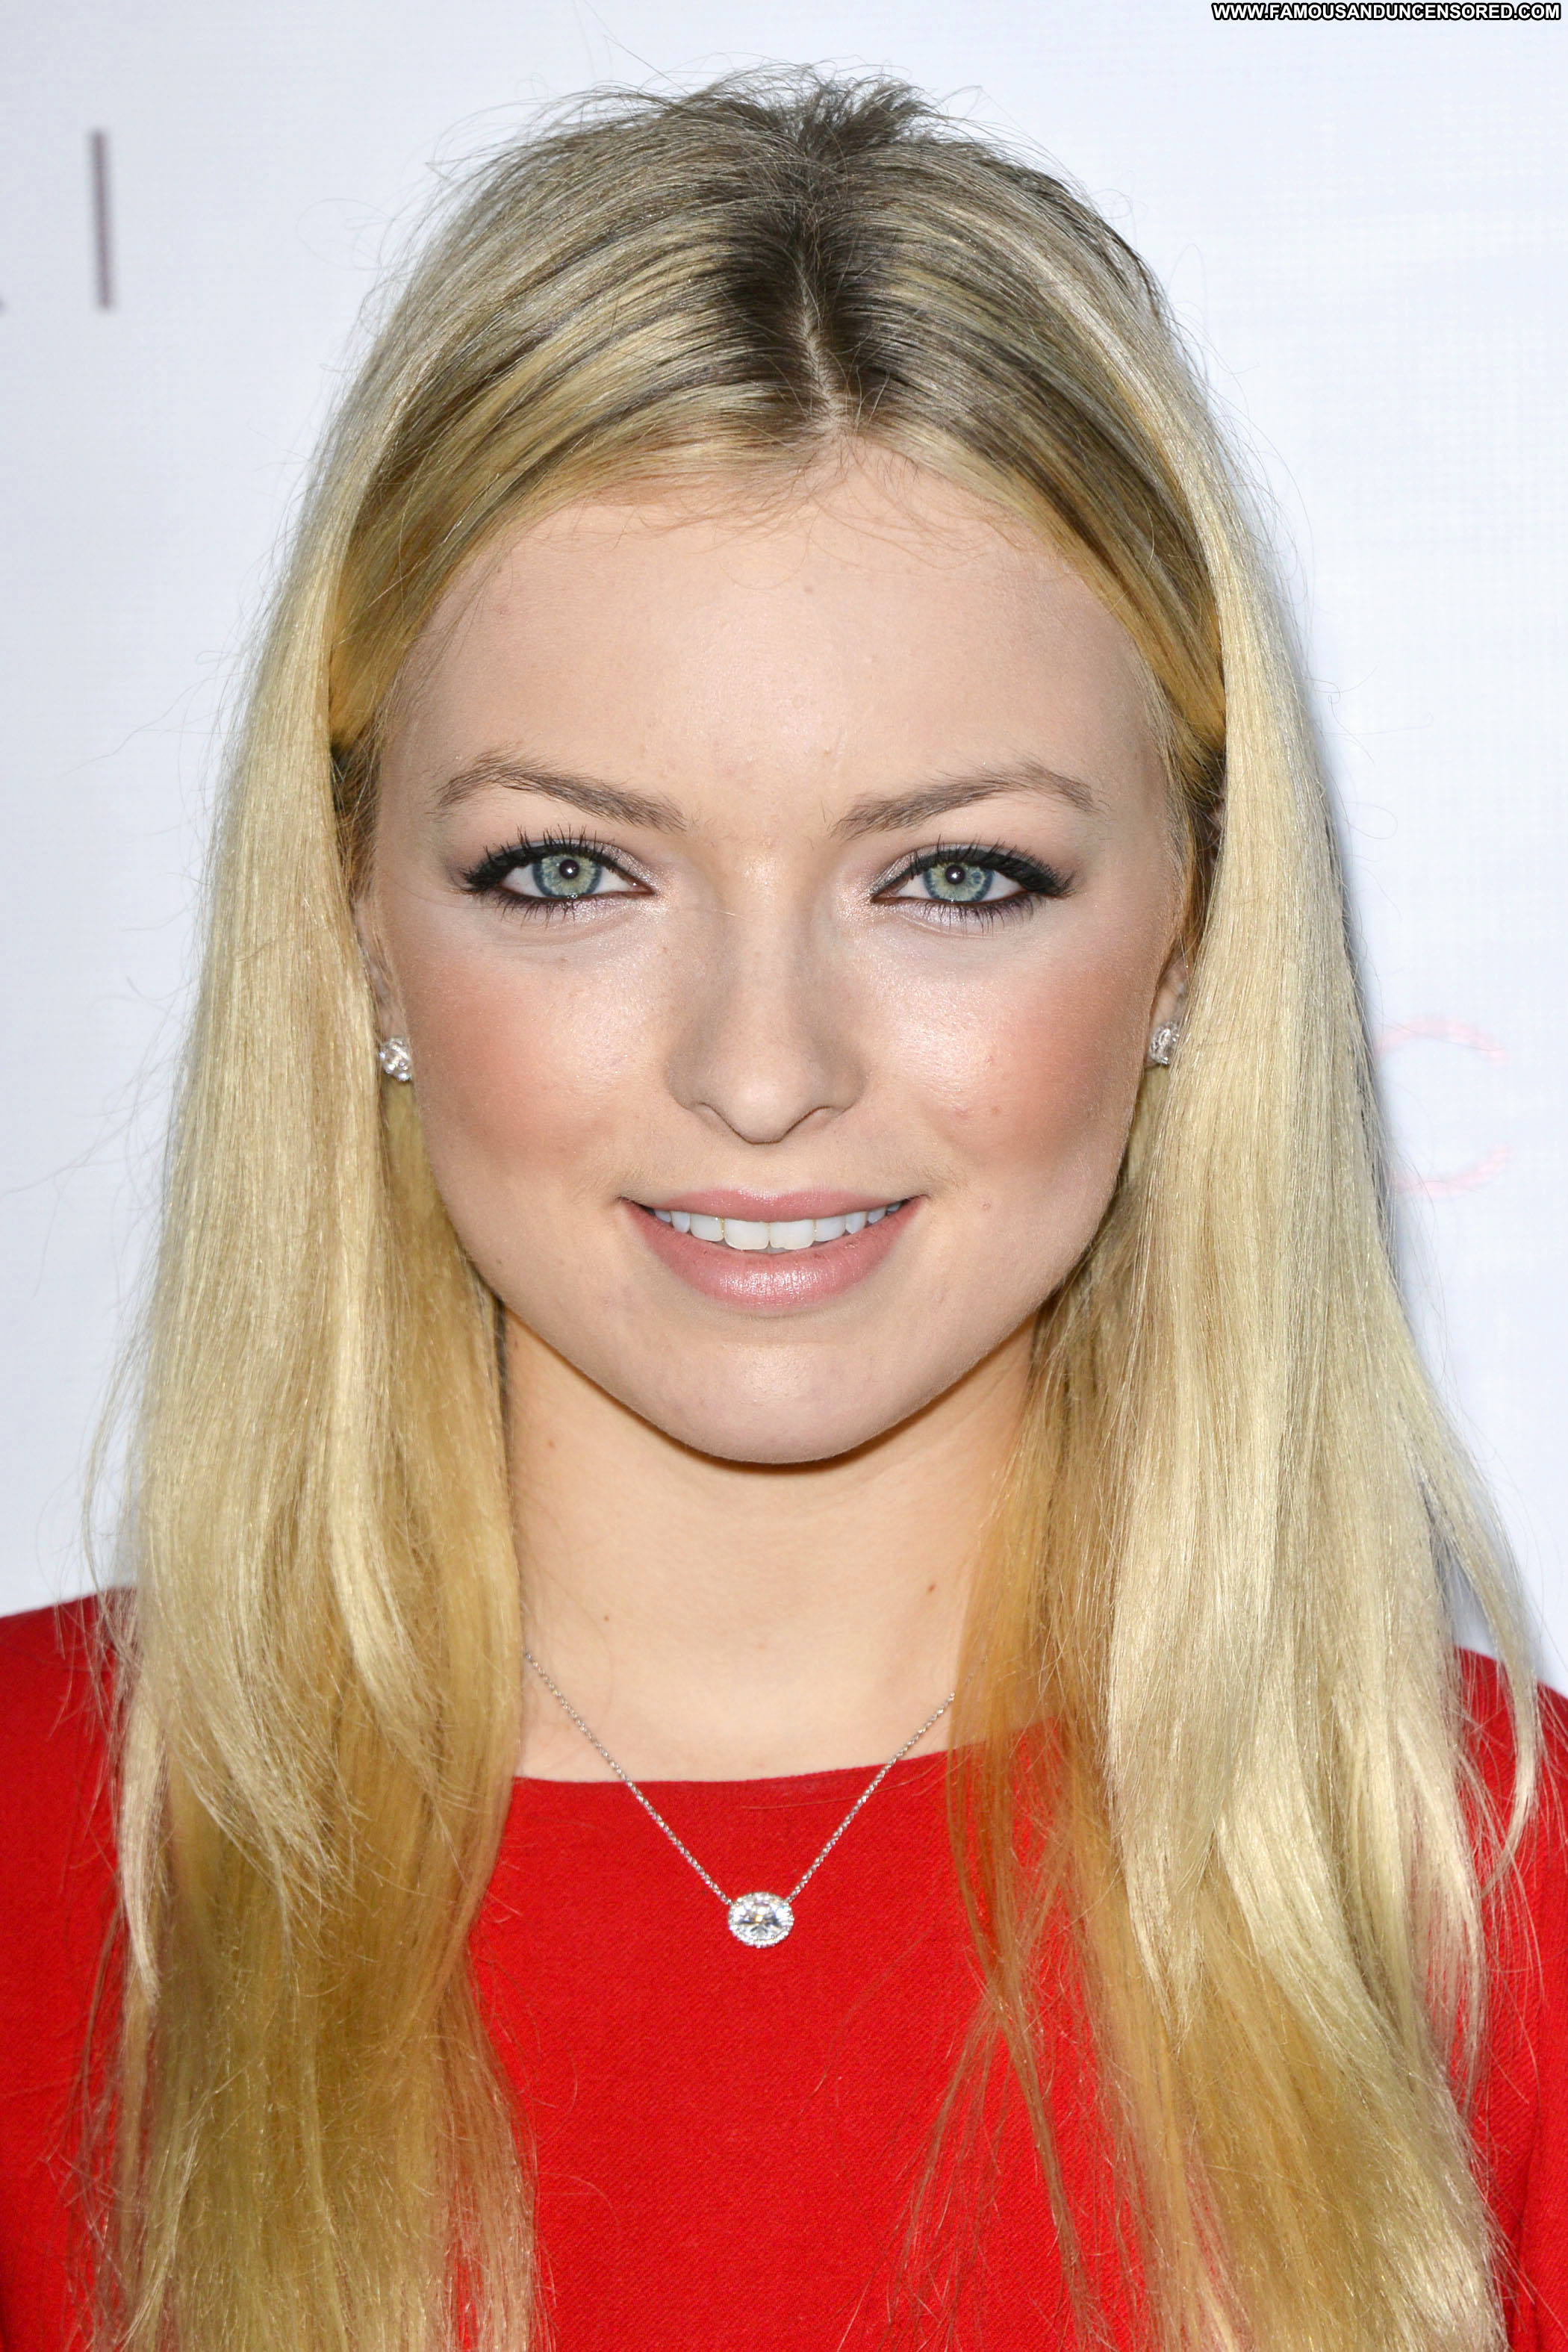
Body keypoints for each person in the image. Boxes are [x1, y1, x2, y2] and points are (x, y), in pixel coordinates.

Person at [0, 68, 1562, 2352]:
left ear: (1192, 940)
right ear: (352, 921)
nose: (760, 1069)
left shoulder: (1499, 1917)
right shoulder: (38, 1862)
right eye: (569, 870)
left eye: (955, 877)